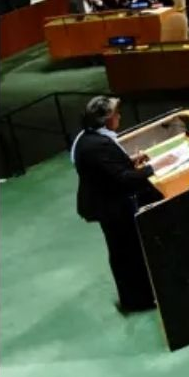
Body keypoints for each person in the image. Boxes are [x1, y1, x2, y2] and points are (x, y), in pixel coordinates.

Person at [73, 96, 163, 312]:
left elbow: (109, 169)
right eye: (115, 114)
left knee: (124, 251)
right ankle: (137, 301)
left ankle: (138, 296)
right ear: (105, 120)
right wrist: (154, 167)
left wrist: (132, 162)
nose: (119, 116)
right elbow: (121, 178)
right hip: (110, 207)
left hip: (108, 202)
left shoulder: (90, 138)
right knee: (126, 252)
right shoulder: (98, 144)